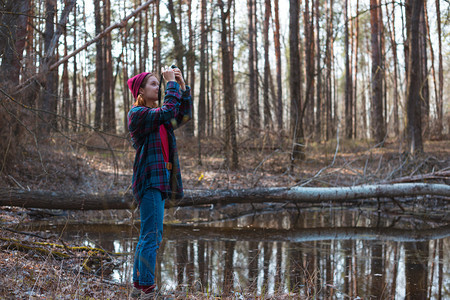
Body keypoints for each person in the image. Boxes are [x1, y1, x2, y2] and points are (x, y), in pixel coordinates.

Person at [127, 66, 192, 299]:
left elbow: (182, 115)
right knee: (151, 235)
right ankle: (147, 289)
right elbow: (168, 110)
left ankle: (138, 287)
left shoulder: (160, 118)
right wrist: (171, 85)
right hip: (150, 179)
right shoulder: (139, 114)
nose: (159, 86)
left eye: (159, 83)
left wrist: (182, 87)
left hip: (161, 180)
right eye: (154, 84)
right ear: (141, 91)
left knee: (150, 234)